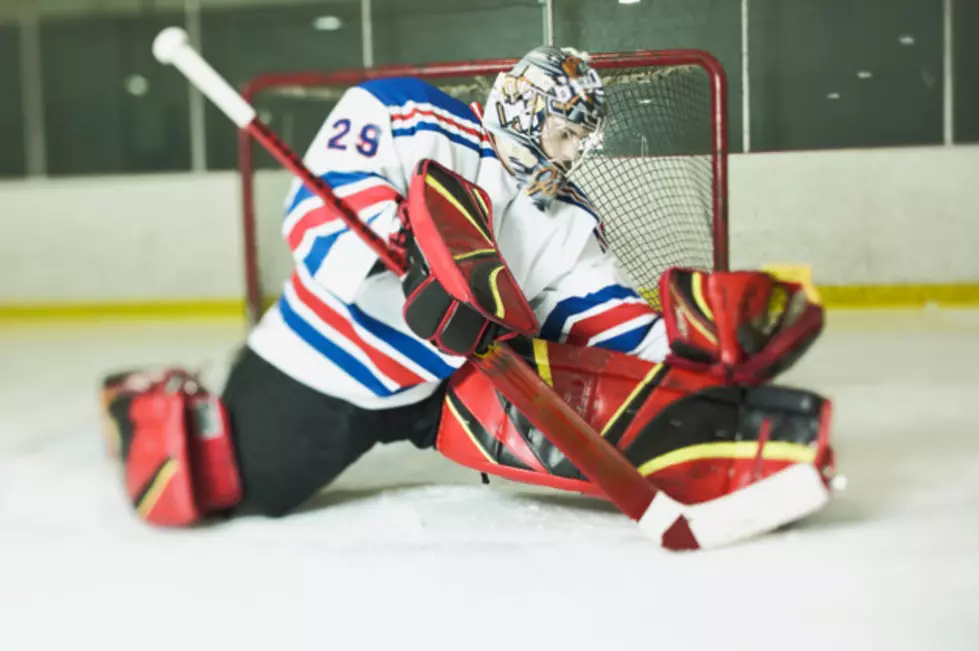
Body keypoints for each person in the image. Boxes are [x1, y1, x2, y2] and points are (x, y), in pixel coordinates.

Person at [100, 46, 831, 527]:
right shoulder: (403, 112)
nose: (574, 153)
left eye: (581, 139)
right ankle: (140, 398)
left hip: (449, 384)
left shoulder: (564, 219)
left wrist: (686, 342)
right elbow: (318, 206)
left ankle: (721, 449)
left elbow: (596, 312)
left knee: (590, 396)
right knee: (230, 491)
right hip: (326, 364)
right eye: (565, 134)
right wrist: (395, 255)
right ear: (523, 110)